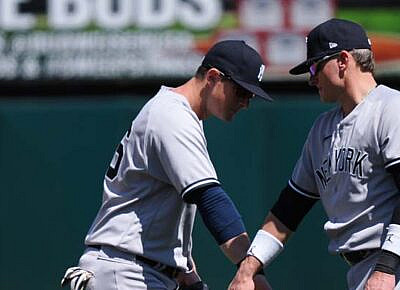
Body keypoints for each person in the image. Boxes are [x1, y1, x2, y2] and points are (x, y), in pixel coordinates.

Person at [61, 40, 273, 290]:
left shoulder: (179, 115)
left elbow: (156, 218)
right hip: (125, 270)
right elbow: (211, 200)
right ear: (214, 77)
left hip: (135, 268)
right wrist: (250, 270)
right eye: (241, 91)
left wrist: (190, 277)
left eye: (250, 95)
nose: (246, 102)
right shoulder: (172, 116)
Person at [229, 18, 400, 290]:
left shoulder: (391, 108)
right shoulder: (322, 129)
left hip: (391, 266)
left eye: (314, 67)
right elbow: (288, 210)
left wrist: (386, 268)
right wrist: (248, 270)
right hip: (362, 270)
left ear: (343, 60)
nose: (311, 79)